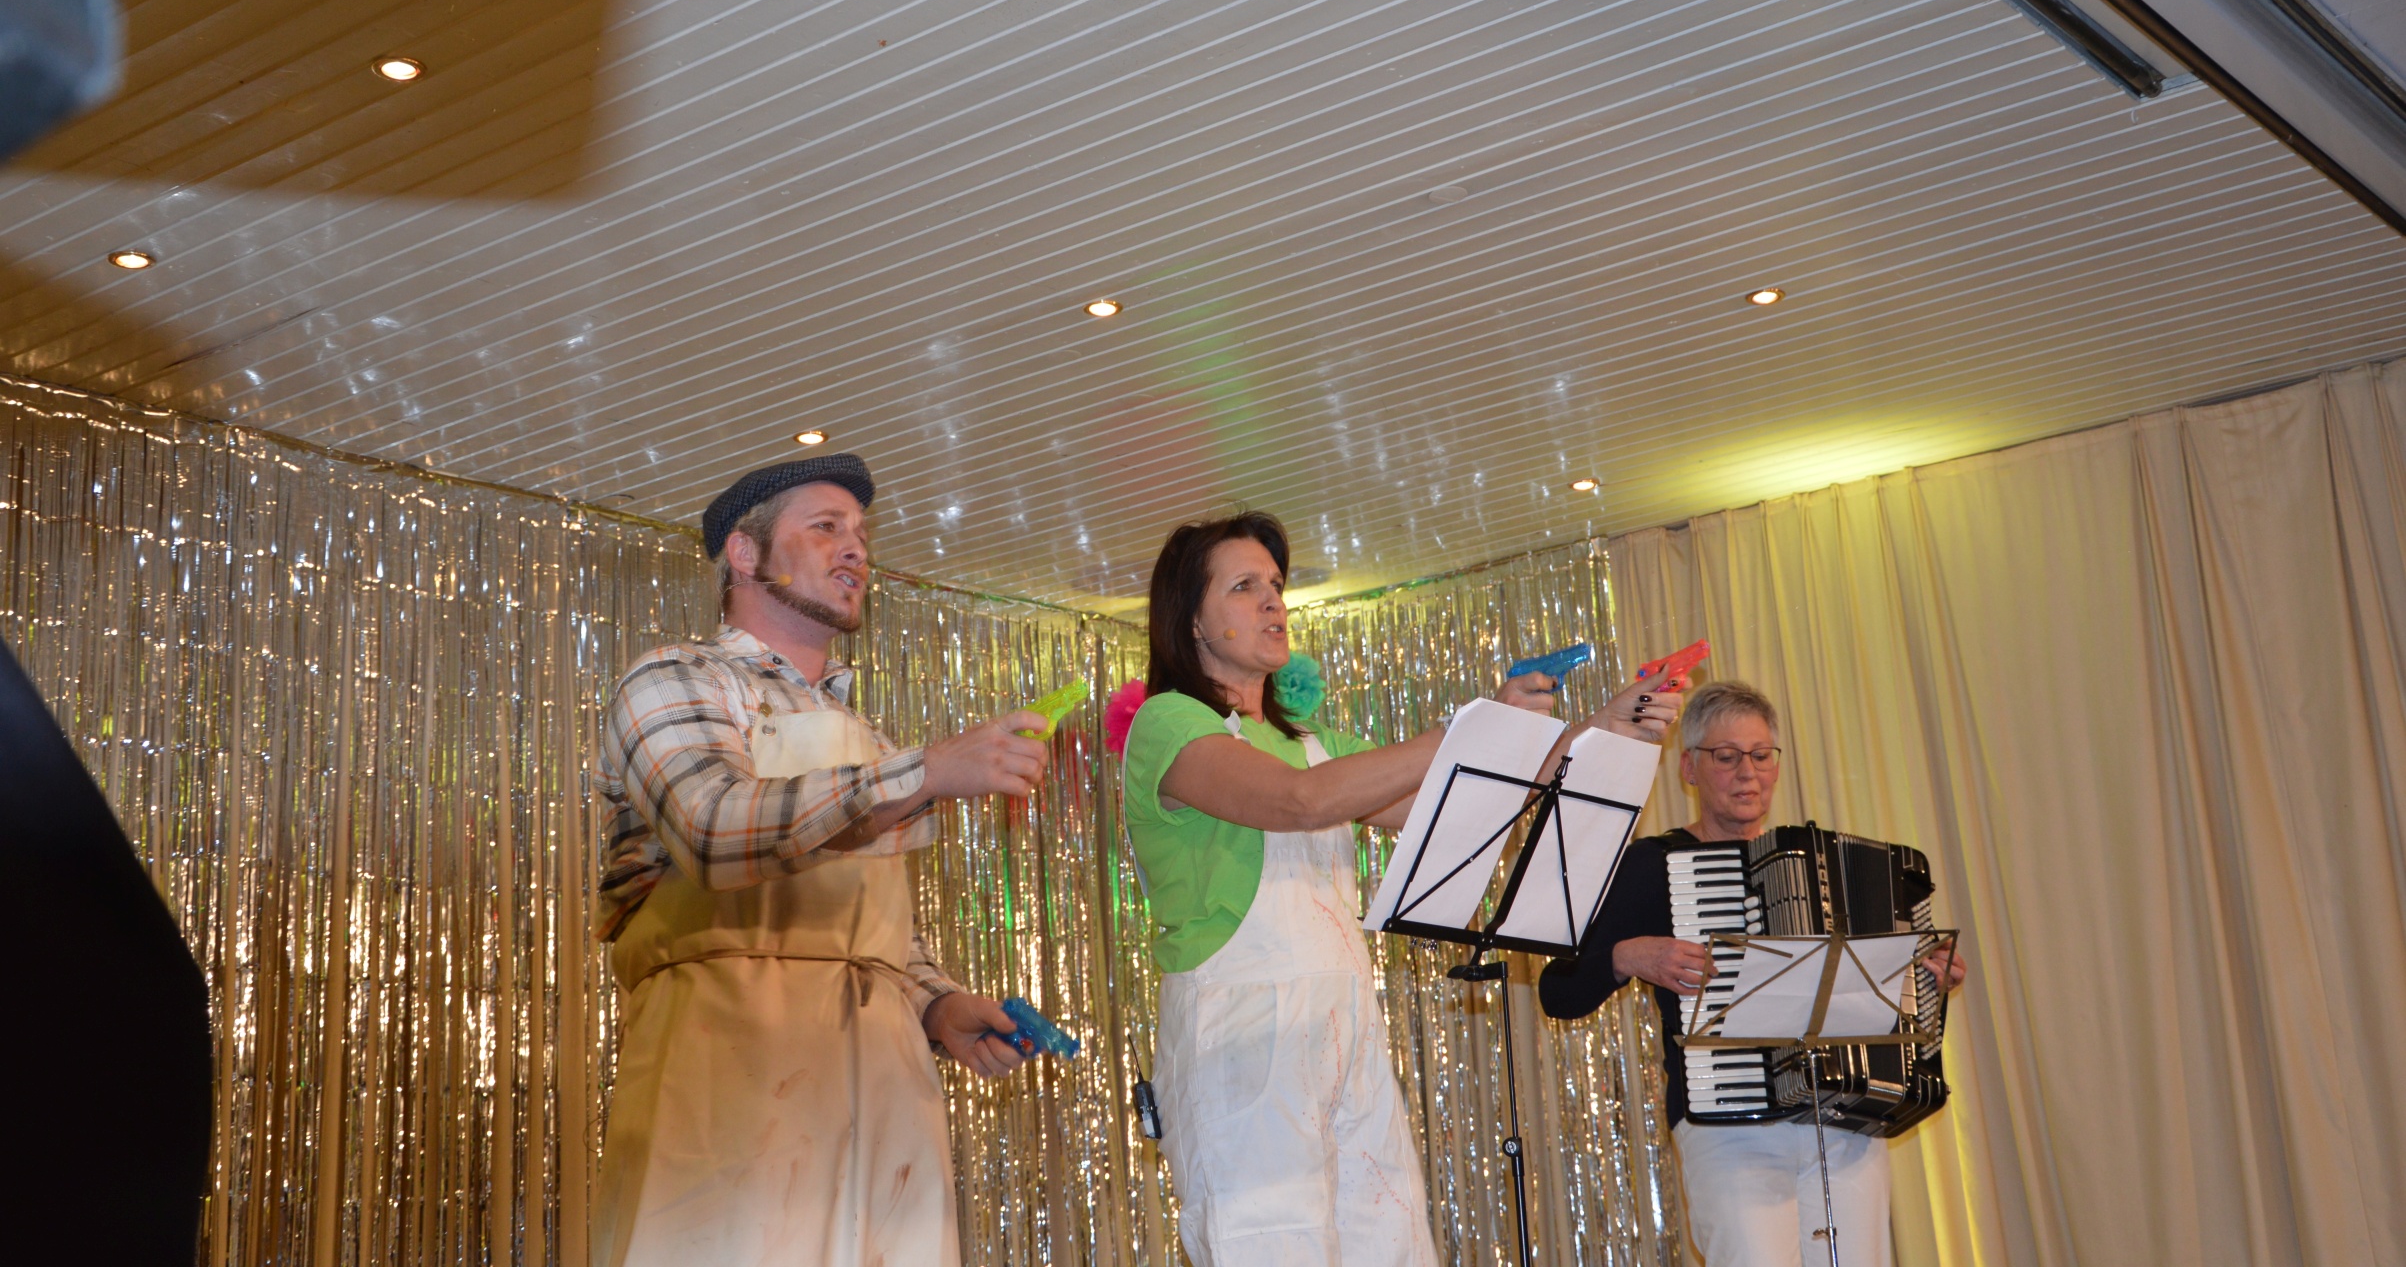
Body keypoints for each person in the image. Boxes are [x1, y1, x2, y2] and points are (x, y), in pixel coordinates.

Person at [1117, 510, 1683, 1266]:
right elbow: (1300, 802)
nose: (1273, 601)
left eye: (1276, 584)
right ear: (1190, 618)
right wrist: (1468, 725)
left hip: (1344, 1027)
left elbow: (1468, 803)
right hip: (1243, 1035)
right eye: (1245, 586)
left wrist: (1602, 727)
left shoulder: (1312, 743)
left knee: (1391, 1246)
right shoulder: (1168, 722)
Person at [590, 454, 1051, 1267]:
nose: (856, 550)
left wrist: (937, 1006)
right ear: (745, 554)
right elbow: (711, 829)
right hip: (728, 1069)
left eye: (863, 534)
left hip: (886, 1088)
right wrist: (925, 773)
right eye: (826, 528)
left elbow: (871, 924)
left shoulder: (870, 743)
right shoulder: (675, 678)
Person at [1536, 681, 1970, 1267]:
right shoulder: (1652, 865)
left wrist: (1924, 979)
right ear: (1688, 768)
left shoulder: (1826, 865)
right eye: (1726, 756)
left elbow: (1870, 1000)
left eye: (1761, 755)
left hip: (1844, 1119)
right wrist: (1627, 956)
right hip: (1729, 1125)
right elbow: (1558, 990)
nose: (1747, 773)